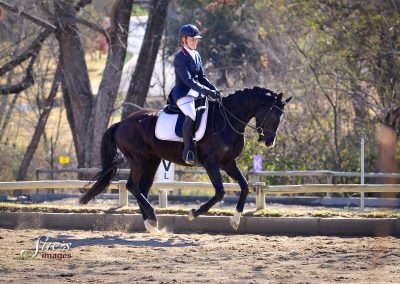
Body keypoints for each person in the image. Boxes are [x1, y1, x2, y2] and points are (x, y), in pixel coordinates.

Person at [172, 24, 220, 165]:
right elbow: (189, 80)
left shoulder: (196, 55)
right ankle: (188, 150)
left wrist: (214, 89)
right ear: (183, 40)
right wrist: (206, 91)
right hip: (183, 94)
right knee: (192, 114)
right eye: (192, 39)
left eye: (196, 39)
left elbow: (202, 77)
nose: (195, 42)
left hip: (196, 94)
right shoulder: (180, 58)